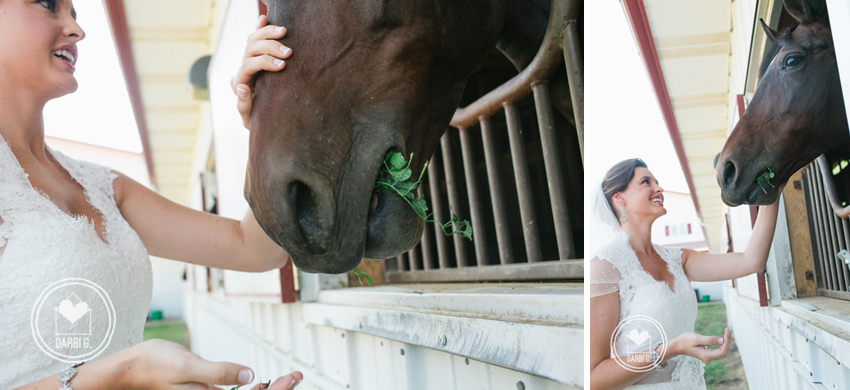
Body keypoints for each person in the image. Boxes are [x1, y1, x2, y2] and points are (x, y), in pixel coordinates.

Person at [0, 0, 299, 388]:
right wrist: (121, 376)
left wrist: (267, 115)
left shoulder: (102, 186)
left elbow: (256, 249)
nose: (77, 30)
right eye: (47, 4)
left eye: (75, 15)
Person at [588, 158, 782, 389]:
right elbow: (593, 376)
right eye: (646, 182)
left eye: (657, 182)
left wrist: (773, 190)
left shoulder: (678, 259)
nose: (659, 188)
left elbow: (751, 261)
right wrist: (672, 349)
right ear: (619, 198)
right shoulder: (606, 265)